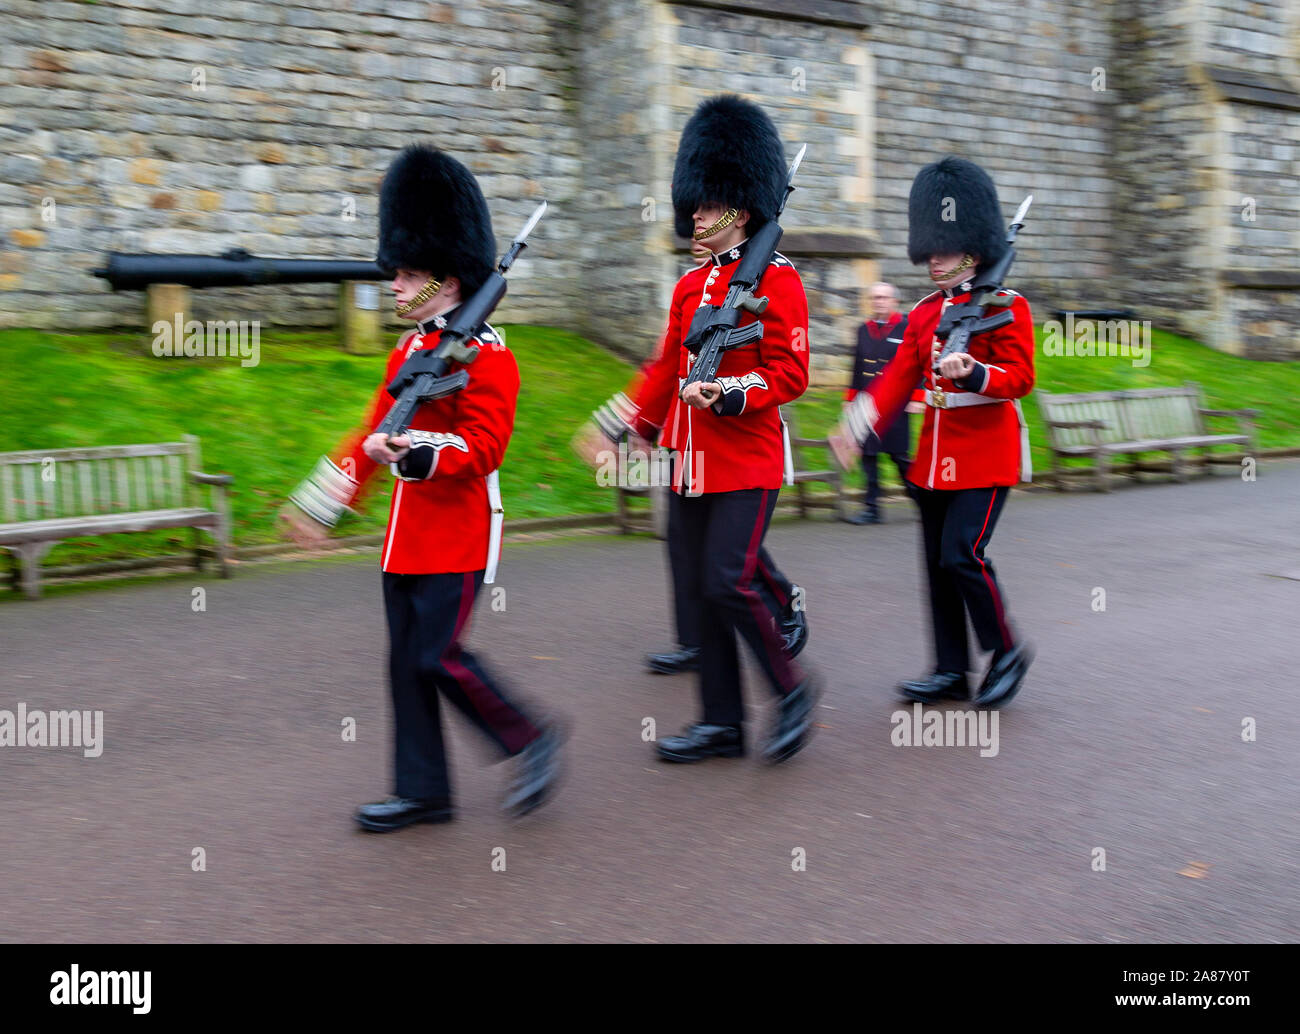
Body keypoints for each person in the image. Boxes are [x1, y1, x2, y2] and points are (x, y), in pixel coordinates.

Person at [280, 144, 562, 831]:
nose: (396, 287)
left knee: (439, 656)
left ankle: (529, 737)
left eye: (408, 276)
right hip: (406, 538)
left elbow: (485, 447)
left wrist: (417, 452)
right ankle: (423, 791)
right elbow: (371, 434)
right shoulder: (408, 352)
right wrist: (323, 500)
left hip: (459, 531)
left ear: (446, 278)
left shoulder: (490, 355)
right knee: (406, 666)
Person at [582, 95, 817, 763]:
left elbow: (789, 374)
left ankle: (791, 690)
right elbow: (662, 369)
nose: (692, 216)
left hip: (746, 459)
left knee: (727, 580)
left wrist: (731, 393)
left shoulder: (780, 282)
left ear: (738, 211)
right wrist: (619, 425)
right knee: (702, 591)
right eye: (693, 204)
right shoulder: (690, 287)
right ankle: (722, 723)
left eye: (705, 207)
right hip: (688, 461)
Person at [834, 156, 1034, 709]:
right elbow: (896, 380)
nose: (932, 259)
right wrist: (855, 426)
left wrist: (976, 372)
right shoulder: (924, 314)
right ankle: (950, 669)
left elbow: (1020, 378)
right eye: (929, 249)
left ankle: (1007, 649)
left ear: (973, 247)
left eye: (942, 249)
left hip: (987, 456)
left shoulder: (1007, 306)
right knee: (936, 566)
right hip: (934, 461)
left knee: (961, 555)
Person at [844, 282, 920, 525]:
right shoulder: (862, 329)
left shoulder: (907, 327)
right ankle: (871, 509)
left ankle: (924, 504)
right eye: (875, 297)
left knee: (899, 458)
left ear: (894, 301)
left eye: (884, 298)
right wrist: (851, 398)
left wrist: (918, 397)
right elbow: (857, 366)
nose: (879, 302)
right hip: (868, 404)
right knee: (869, 457)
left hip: (897, 404)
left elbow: (920, 363)